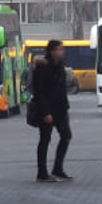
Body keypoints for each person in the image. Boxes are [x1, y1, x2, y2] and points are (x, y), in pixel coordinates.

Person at [32, 39, 73, 182]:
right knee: (45, 140)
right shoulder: (43, 67)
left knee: (66, 136)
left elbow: (61, 89)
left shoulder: (60, 65)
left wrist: (65, 106)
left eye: (62, 49)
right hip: (47, 110)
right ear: (52, 51)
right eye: (59, 49)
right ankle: (42, 172)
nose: (62, 52)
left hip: (61, 109)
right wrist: (46, 112)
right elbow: (40, 92)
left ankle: (58, 168)